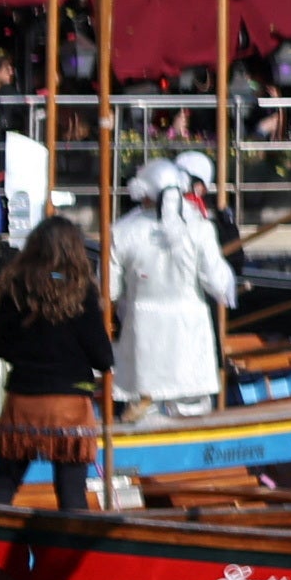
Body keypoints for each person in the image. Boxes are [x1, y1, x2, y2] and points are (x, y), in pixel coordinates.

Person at [0, 220, 110, 507]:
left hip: (23, 399)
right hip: (69, 404)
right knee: (71, 492)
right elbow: (102, 357)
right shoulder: (81, 291)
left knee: (5, 482)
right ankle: (70, 547)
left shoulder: (15, 288)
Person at [109, 156, 233, 417]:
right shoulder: (200, 228)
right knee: (193, 417)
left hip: (143, 343)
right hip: (190, 342)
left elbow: (108, 291)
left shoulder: (121, 232)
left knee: (144, 417)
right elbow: (218, 284)